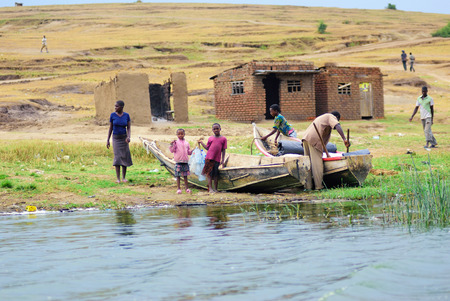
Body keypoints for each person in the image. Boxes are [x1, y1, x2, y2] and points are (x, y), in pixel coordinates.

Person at [302, 111, 350, 190]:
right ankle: (318, 187)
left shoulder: (322, 118)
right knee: (317, 164)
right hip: (314, 139)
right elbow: (337, 125)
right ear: (337, 117)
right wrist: (344, 139)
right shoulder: (331, 116)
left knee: (308, 164)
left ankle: (308, 187)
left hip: (306, 138)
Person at [106, 100, 133, 183]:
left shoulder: (126, 116)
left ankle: (124, 177)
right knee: (117, 157)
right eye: (115, 106)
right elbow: (110, 128)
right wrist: (108, 140)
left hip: (124, 138)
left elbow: (128, 127)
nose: (115, 108)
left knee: (124, 156)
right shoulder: (113, 115)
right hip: (116, 138)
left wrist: (128, 137)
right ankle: (118, 178)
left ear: (121, 107)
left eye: (117, 106)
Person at [198, 123, 227, 193]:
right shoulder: (211, 138)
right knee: (209, 174)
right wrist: (201, 143)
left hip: (217, 159)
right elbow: (207, 148)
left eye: (217, 128)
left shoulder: (223, 139)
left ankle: (216, 189)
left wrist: (222, 160)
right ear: (212, 130)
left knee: (216, 174)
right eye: (214, 129)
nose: (216, 130)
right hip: (209, 158)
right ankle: (210, 188)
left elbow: (223, 150)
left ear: (220, 129)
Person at [170, 128, 193, 194]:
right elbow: (172, 150)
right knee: (178, 176)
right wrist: (172, 144)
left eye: (182, 134)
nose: (180, 135)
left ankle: (187, 188)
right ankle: (178, 189)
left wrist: (192, 151)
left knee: (185, 176)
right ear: (177, 135)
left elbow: (188, 152)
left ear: (184, 134)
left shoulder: (187, 143)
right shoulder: (175, 143)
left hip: (185, 161)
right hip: (178, 161)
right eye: (179, 134)